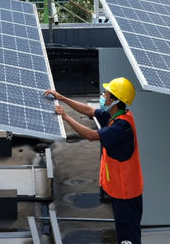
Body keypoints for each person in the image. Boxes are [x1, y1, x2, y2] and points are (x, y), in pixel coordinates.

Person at [46, 78, 143, 244]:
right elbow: (89, 111)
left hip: (126, 192)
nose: (103, 96)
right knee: (123, 231)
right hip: (121, 189)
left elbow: (91, 136)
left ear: (115, 100)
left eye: (106, 94)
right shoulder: (116, 115)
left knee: (128, 237)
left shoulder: (121, 126)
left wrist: (66, 117)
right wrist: (62, 98)